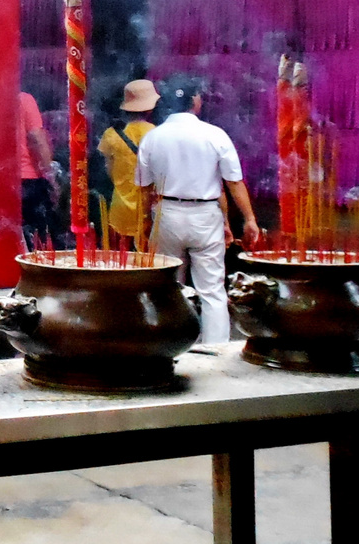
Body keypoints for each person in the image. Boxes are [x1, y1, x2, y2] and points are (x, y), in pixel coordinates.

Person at [136, 75, 263, 344]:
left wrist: (146, 224)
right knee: (212, 290)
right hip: (206, 215)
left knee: (169, 286)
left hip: (167, 214)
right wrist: (249, 219)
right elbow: (232, 182)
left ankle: (173, 345)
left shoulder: (152, 138)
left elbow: (144, 190)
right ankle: (216, 350)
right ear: (195, 101)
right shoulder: (215, 134)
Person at [97, 79, 159, 245]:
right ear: (151, 107)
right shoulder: (157, 134)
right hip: (149, 210)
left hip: (120, 210)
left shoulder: (111, 135)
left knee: (119, 263)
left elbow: (109, 171)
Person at [17, 91, 62, 249]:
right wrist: (51, 175)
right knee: (39, 238)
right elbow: (36, 137)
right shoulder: (24, 99)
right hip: (29, 180)